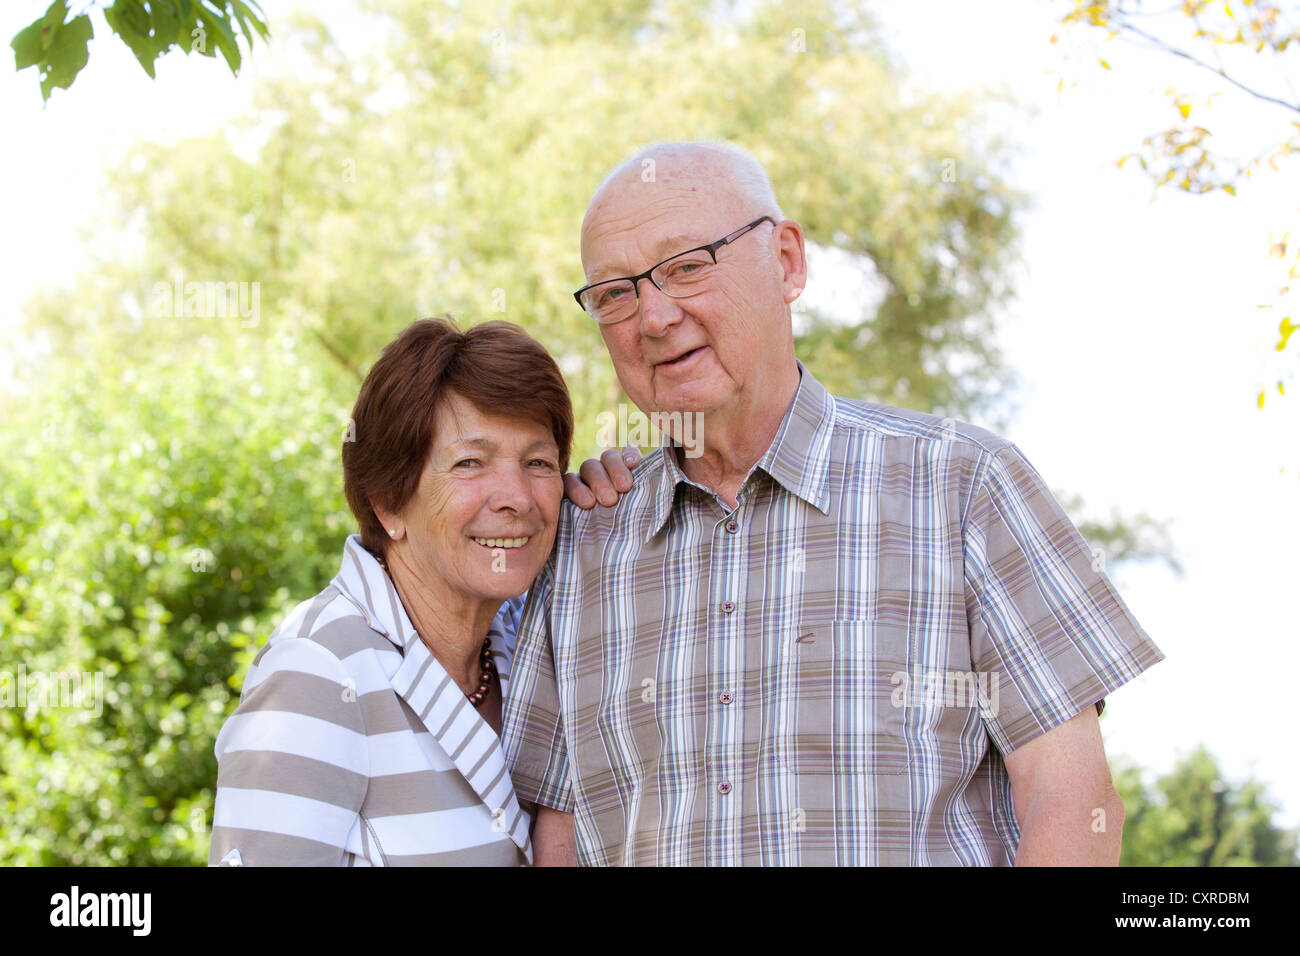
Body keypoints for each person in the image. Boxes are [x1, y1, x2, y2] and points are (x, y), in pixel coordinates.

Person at [502, 141, 1166, 866]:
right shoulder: (579, 548)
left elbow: (1071, 802)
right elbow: (557, 835)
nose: (653, 316)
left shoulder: (964, 486)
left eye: (687, 266)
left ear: (787, 261)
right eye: (615, 293)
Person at [208, 317, 629, 866]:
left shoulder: (538, 638)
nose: (517, 498)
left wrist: (623, 512)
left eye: (538, 463)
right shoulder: (317, 672)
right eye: (470, 462)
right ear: (388, 502)